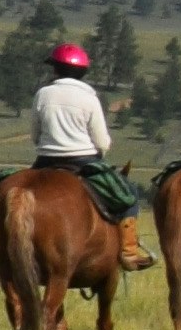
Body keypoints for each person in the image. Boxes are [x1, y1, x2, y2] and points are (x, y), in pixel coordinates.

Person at [29, 38, 139, 222]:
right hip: (83, 160)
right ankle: (128, 246)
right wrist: (100, 154)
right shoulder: (90, 98)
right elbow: (102, 142)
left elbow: (35, 135)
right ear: (82, 72)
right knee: (128, 193)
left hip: (45, 160)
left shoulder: (43, 94)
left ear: (56, 70)